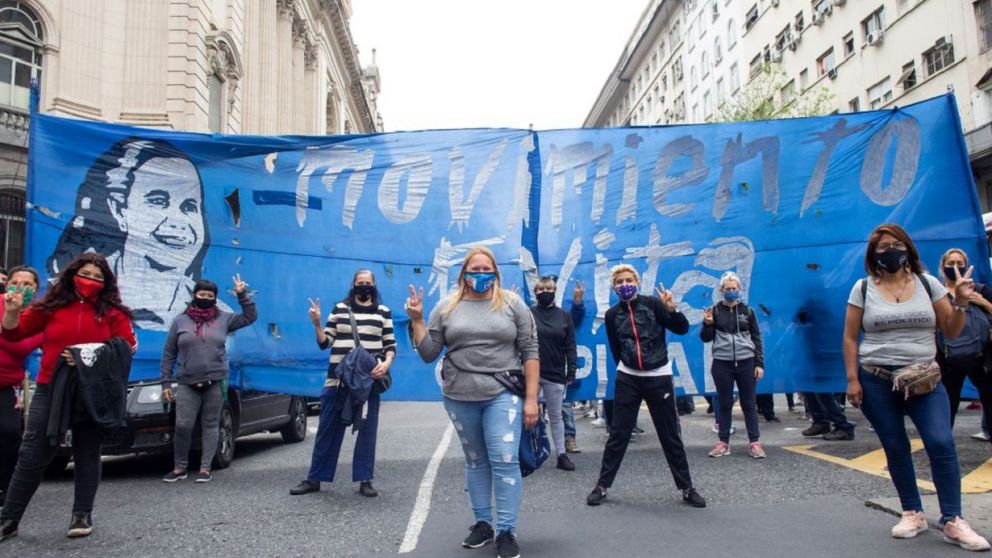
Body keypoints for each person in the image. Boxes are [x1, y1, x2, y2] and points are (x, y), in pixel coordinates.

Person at [844, 223, 989, 550]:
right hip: (876, 378)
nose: (890, 251)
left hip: (924, 377)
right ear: (873, 255)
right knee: (895, 445)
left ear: (908, 248)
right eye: (882, 247)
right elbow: (851, 337)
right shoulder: (862, 288)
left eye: (896, 244)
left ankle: (953, 519)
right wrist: (852, 380)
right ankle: (913, 512)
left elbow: (951, 331)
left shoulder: (928, 283)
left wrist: (962, 303)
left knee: (941, 441)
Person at [407, 246, 539, 558]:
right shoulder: (446, 307)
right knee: (476, 461)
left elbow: (530, 350)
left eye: (486, 270)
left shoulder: (512, 303)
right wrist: (418, 320)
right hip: (459, 395)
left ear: (495, 273)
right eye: (474, 269)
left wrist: (532, 399)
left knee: (504, 459)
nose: (480, 275)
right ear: (464, 273)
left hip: (503, 393)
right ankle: (483, 523)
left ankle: (506, 531)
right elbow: (428, 353)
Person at [0, 253, 137, 542]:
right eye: (86, 274)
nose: (91, 281)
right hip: (51, 387)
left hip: (91, 391)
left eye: (98, 277)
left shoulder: (114, 312)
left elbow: (127, 347)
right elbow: (14, 334)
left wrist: (87, 356)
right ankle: (9, 519)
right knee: (32, 454)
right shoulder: (50, 307)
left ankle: (81, 514)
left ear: (107, 283)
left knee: (87, 453)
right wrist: (11, 312)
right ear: (72, 275)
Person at [47, 137, 209, 331]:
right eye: (158, 201)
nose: (178, 221)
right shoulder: (71, 296)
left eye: (189, 206)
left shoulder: (215, 314)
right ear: (119, 210)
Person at [586, 264, 705, 509]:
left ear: (637, 282)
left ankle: (687, 487)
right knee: (618, 433)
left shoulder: (653, 304)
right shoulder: (611, 315)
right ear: (613, 287)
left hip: (658, 376)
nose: (624, 285)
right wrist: (628, 370)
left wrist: (673, 311)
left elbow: (681, 329)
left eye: (629, 280)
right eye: (619, 282)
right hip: (628, 377)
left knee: (670, 434)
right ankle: (602, 485)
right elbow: (616, 349)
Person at [291, 269, 395, 498]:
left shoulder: (384, 312)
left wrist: (386, 365)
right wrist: (317, 323)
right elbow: (325, 342)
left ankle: (365, 479)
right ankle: (314, 478)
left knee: (367, 432)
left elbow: (390, 345)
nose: (364, 286)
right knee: (327, 430)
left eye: (368, 283)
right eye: (360, 282)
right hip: (336, 381)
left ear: (374, 286)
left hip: (368, 381)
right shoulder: (339, 309)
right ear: (353, 284)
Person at [160, 274, 257, 484]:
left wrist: (242, 295)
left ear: (215, 298)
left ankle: (205, 467)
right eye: (201, 294)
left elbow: (250, 317)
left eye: (210, 295)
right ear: (194, 295)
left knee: (211, 423)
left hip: (216, 378)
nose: (205, 297)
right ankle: (180, 467)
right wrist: (166, 382)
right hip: (187, 381)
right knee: (183, 425)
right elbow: (169, 353)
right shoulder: (180, 321)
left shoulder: (224, 318)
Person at [701, 271, 766, 459]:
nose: (731, 291)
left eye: (734, 288)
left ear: (739, 289)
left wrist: (759, 364)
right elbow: (705, 339)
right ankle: (723, 442)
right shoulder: (714, 311)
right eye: (727, 289)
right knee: (724, 402)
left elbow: (757, 338)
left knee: (749, 404)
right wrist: (707, 325)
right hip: (722, 363)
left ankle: (754, 442)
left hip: (747, 362)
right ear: (721, 290)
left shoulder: (748, 311)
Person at [934, 248, 992, 433]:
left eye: (960, 263)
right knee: (947, 406)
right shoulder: (936, 294)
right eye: (951, 264)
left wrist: (982, 301)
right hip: (947, 358)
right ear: (942, 268)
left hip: (981, 357)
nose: (955, 267)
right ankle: (944, 449)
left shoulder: (981, 290)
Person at [0, 266, 43, 507]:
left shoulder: (38, 317)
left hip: (6, 384)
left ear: (36, 289)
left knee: (8, 433)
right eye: (16, 282)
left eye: (28, 284)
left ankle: (7, 488)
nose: (21, 288)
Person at [530, 275, 578, 471]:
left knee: (556, 415)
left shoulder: (564, 316)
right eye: (541, 290)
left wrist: (572, 369)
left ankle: (561, 454)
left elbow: (570, 345)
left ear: (555, 291)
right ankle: (529, 452)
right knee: (528, 415)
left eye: (549, 289)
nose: (545, 293)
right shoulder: (528, 314)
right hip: (531, 373)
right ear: (535, 293)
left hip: (556, 372)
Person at [563, 281, 587, 453]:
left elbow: (575, 319)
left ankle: (569, 438)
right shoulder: (532, 313)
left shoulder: (561, 315)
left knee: (564, 404)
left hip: (558, 365)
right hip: (537, 365)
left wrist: (577, 301)